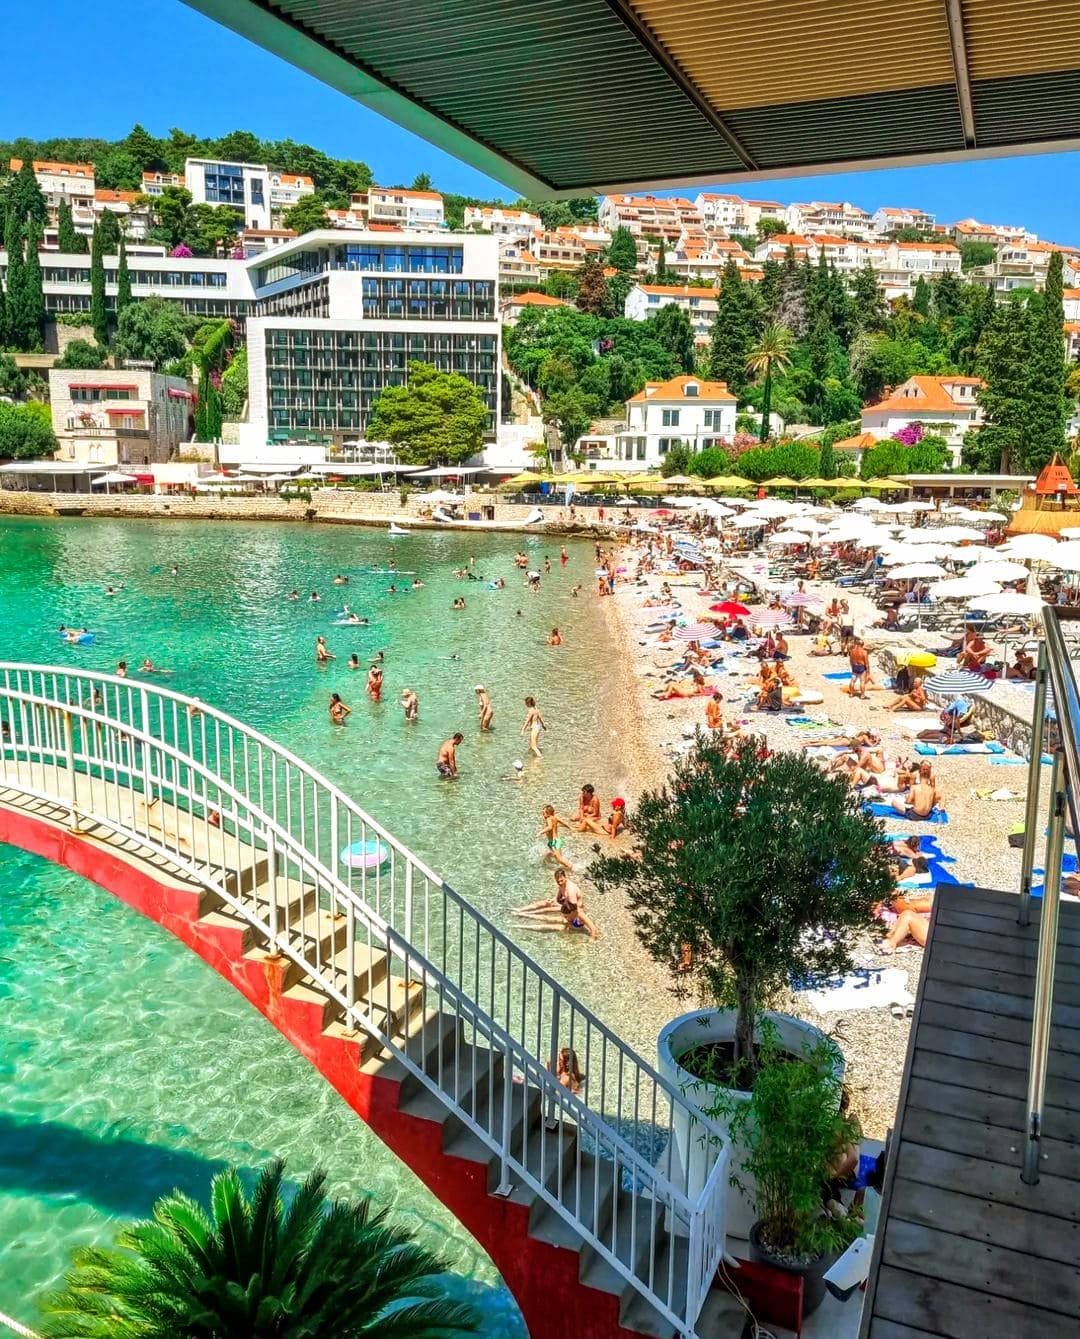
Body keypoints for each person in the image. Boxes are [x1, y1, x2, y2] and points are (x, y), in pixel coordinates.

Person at [538, 805, 574, 870]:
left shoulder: (548, 818)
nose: (543, 815)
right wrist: (570, 828)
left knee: (559, 858)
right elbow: (564, 823)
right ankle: (548, 863)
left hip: (554, 841)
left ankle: (570, 866)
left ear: (548, 814)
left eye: (544, 813)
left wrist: (540, 832)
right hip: (555, 841)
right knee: (551, 854)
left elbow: (550, 827)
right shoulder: (555, 817)